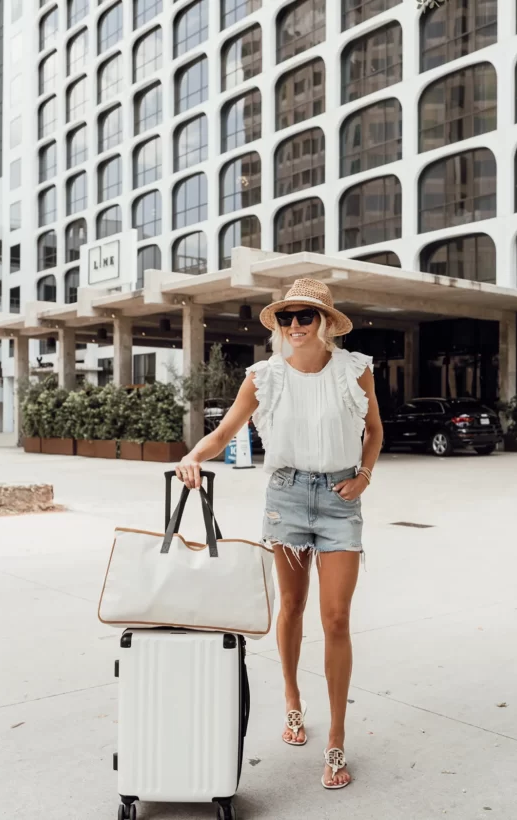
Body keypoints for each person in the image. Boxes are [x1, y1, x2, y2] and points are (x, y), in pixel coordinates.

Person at [176, 279, 383, 790]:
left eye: (306, 317)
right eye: (287, 317)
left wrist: (364, 475)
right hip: (286, 499)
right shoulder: (263, 378)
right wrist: (193, 455)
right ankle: (293, 702)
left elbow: (374, 431)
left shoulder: (354, 372)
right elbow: (226, 432)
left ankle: (336, 738)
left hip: (339, 501)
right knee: (290, 609)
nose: (295, 325)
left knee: (336, 618)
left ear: (327, 324)